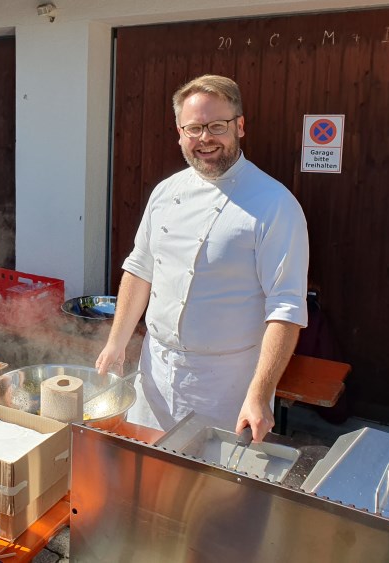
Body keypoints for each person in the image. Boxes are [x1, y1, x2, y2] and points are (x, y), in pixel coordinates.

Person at [96, 75, 308, 442]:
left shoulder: (275, 204)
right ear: (179, 132)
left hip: (227, 385)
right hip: (155, 373)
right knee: (147, 481)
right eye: (194, 128)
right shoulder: (166, 192)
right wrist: (117, 341)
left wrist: (258, 395)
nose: (205, 138)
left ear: (239, 126)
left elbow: (285, 308)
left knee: (217, 492)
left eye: (217, 126)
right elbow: (140, 268)